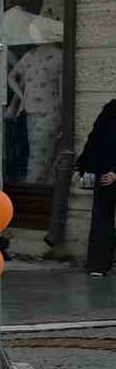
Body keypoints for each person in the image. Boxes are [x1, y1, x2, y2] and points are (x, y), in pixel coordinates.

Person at [78, 99, 116, 277]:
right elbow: (95, 140)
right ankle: (98, 265)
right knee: (101, 218)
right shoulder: (110, 110)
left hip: (109, 173)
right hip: (104, 174)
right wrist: (86, 168)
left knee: (102, 217)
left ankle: (98, 265)